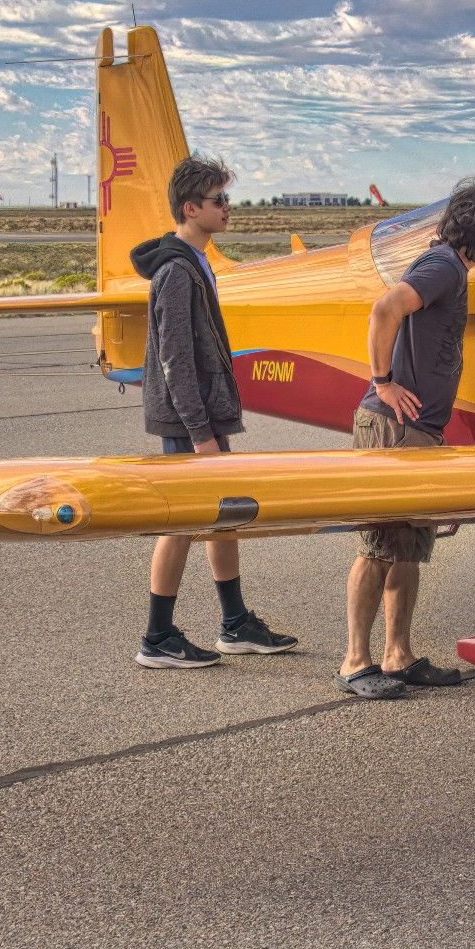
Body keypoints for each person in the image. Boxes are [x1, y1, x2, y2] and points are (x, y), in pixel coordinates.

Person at [335, 180, 475, 699]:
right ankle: (353, 662)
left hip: (418, 430)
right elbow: (385, 310)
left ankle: (398, 655)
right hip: (393, 427)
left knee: (408, 548)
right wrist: (382, 382)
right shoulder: (444, 267)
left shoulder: (450, 266)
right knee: (379, 546)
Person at [129, 156, 297, 668]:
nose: (228, 207)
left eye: (227, 197)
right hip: (188, 418)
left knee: (223, 515)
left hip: (200, 414)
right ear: (191, 208)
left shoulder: (194, 263)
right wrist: (201, 432)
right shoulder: (177, 272)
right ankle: (157, 638)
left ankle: (234, 622)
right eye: (219, 200)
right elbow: (175, 359)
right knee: (180, 521)